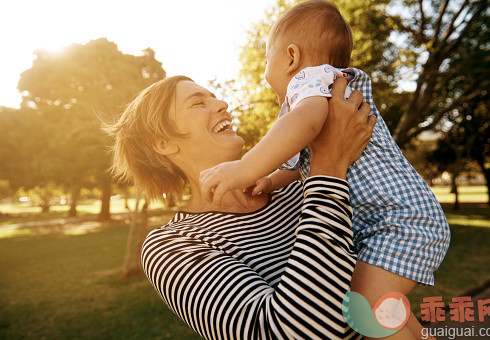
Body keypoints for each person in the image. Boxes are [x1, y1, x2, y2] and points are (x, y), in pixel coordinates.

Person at [200, 1, 450, 339]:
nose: (264, 70)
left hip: (399, 223)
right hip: (392, 222)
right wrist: (271, 179)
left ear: (291, 57)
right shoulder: (313, 95)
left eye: (266, 59)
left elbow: (303, 125)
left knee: (362, 309)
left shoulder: (313, 81)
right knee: (380, 308)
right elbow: (299, 161)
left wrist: (245, 167)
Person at [106, 74, 375, 339]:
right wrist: (329, 165)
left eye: (214, 97)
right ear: (163, 143)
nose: (222, 103)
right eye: (198, 103)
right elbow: (292, 332)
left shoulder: (297, 184)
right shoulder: (172, 245)